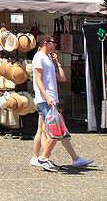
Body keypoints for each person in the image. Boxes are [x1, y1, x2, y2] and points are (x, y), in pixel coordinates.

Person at [30, 34, 92, 171]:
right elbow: (38, 80)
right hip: (47, 100)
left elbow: (62, 78)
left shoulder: (47, 59)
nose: (56, 44)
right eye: (53, 42)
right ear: (46, 43)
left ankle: (75, 158)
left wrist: (56, 63)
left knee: (60, 130)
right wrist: (46, 97)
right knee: (54, 130)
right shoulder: (39, 58)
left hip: (51, 100)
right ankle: (44, 158)